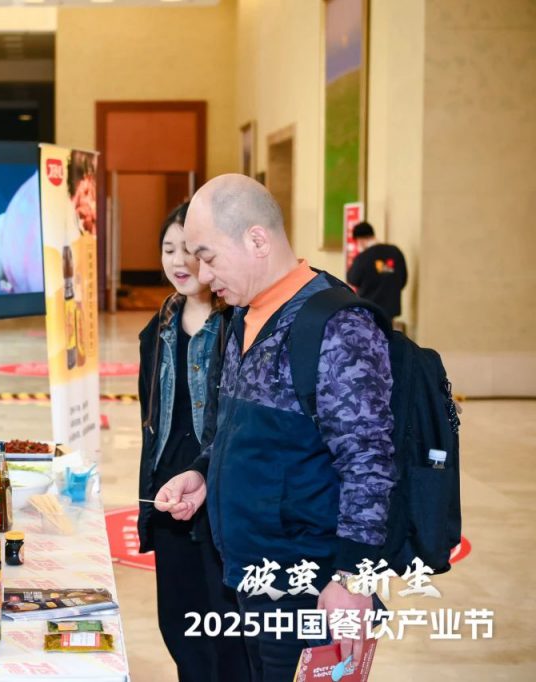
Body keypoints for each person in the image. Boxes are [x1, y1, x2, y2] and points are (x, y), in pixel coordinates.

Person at [155, 174, 396, 682]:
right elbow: (243, 430)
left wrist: (353, 578)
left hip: (313, 591)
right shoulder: (245, 316)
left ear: (257, 240)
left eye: (208, 257)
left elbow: (370, 460)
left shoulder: (337, 325)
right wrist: (204, 473)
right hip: (254, 579)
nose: (202, 275)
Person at [137, 202, 250, 682]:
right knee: (180, 622)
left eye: (190, 250)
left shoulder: (240, 326)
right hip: (169, 493)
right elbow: (151, 423)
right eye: (169, 249)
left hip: (218, 490)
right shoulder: (157, 329)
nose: (179, 261)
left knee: (227, 625)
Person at [346, 221, 407, 321]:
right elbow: (403, 280)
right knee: (387, 330)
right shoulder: (395, 252)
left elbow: (353, 279)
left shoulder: (363, 257)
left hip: (369, 309)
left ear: (360, 240)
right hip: (390, 309)